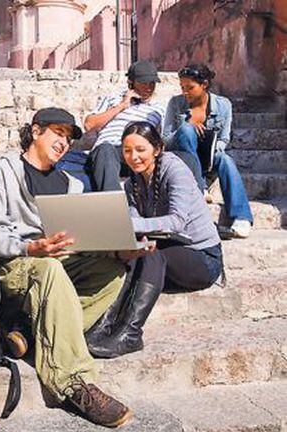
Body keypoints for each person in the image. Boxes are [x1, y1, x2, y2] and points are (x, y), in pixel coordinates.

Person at [0, 107, 132, 427]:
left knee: (111, 271)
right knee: (50, 270)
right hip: (12, 263)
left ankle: (30, 338)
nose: (64, 143)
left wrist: (114, 246)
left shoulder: (71, 183)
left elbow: (76, 235)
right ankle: (72, 382)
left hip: (57, 260)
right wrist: (30, 247)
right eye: (58, 134)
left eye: (69, 139)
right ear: (35, 131)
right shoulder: (1, 173)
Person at [86, 122, 223, 359]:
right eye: (127, 151)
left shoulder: (174, 170)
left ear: (157, 148)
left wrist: (129, 225)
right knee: (135, 250)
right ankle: (103, 325)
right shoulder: (132, 184)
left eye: (140, 149)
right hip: (165, 256)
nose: (133, 157)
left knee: (151, 251)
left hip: (202, 257)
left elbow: (176, 222)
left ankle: (130, 334)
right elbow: (134, 222)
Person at [163, 64, 253, 238]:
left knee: (225, 159)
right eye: (182, 87)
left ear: (204, 84)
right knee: (187, 130)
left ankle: (241, 218)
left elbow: (224, 139)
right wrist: (186, 127)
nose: (185, 92)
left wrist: (212, 152)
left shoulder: (223, 105)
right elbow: (165, 139)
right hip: (182, 161)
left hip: (207, 159)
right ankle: (200, 186)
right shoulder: (175, 103)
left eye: (190, 87)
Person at [84, 59, 164, 191]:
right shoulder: (113, 99)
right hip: (110, 151)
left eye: (152, 83)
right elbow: (89, 125)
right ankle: (113, 204)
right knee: (105, 149)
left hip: (139, 153)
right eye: (143, 83)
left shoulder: (158, 109)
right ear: (131, 83)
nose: (149, 88)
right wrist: (121, 106)